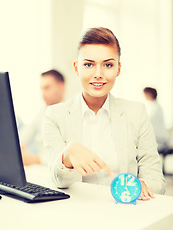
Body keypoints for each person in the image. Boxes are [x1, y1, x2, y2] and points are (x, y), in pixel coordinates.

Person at [42, 27, 165, 201]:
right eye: (88, 64)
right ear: (76, 68)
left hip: (126, 211)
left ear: (118, 69)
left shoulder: (136, 113)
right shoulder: (55, 115)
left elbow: (156, 180)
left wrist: (142, 184)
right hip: (76, 212)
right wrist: (66, 157)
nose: (98, 74)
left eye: (108, 65)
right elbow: (58, 180)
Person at [20, 69, 65, 165]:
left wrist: (36, 160)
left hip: (56, 171)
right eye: (42, 88)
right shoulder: (42, 113)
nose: (43, 93)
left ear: (61, 87)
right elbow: (22, 138)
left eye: (47, 87)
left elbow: (65, 157)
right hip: (40, 169)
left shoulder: (70, 114)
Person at [143, 87, 169, 152]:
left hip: (160, 141)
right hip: (157, 139)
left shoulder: (155, 108)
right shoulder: (152, 106)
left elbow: (147, 122)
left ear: (149, 94)